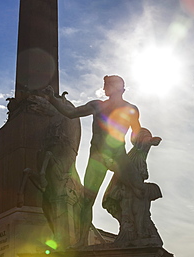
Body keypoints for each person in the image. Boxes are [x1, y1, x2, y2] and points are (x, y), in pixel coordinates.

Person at [42, 75, 145, 247]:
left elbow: (136, 135)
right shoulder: (97, 105)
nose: (104, 88)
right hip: (97, 157)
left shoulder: (131, 109)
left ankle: (139, 232)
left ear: (118, 88)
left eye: (107, 85)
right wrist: (52, 99)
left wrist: (143, 140)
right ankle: (82, 242)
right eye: (104, 85)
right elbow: (71, 112)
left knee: (139, 190)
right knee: (86, 201)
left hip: (118, 155)